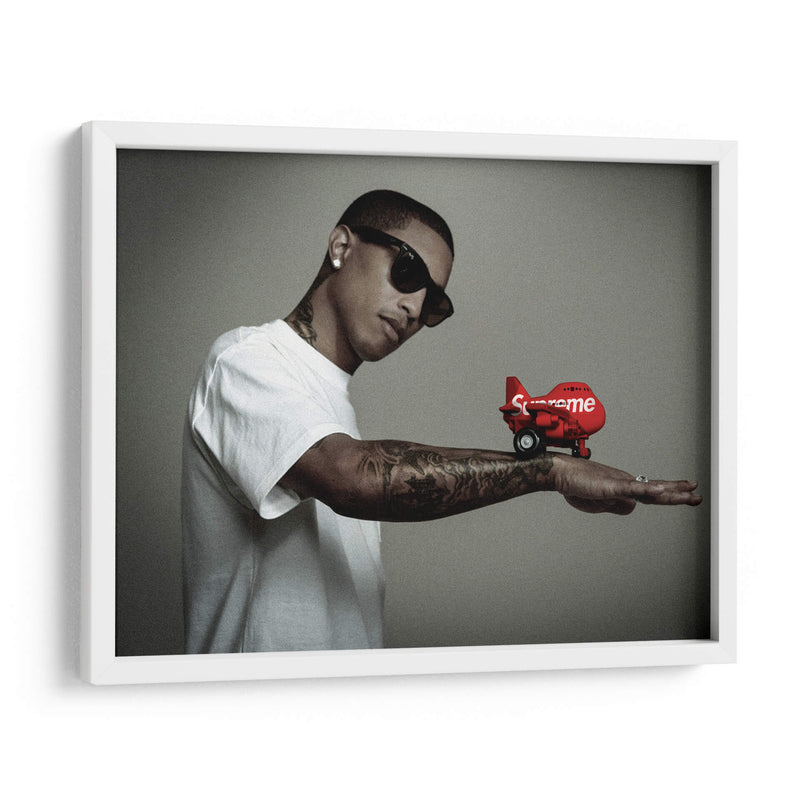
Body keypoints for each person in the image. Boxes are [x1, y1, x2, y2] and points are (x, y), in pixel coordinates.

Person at [181, 189, 702, 654]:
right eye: (407, 272)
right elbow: (353, 477)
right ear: (341, 247)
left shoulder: (329, 405)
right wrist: (549, 470)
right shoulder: (247, 360)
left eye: (433, 302)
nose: (413, 308)